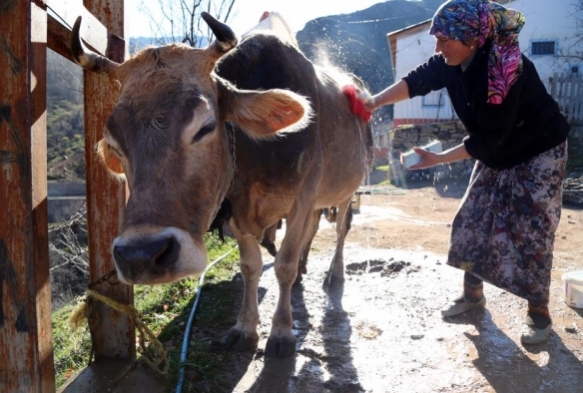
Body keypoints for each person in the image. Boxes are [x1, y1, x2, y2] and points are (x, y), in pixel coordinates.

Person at [365, 0, 570, 345]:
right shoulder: (450, 61)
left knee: (532, 229)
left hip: (539, 149)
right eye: (436, 38)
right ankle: (473, 295)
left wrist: (436, 158)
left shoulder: (505, 68)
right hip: (496, 144)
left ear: (472, 38)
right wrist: (372, 102)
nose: (437, 47)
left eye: (444, 39)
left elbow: (489, 140)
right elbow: (416, 81)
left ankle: (539, 313)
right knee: (471, 217)